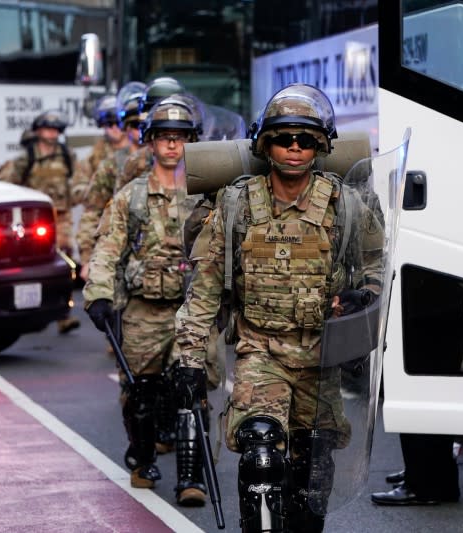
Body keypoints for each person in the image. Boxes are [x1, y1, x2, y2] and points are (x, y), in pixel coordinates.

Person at [172, 83, 384, 533]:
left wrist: (365, 294)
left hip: (322, 357)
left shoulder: (344, 204)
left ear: (321, 147)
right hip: (261, 353)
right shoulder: (236, 205)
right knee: (262, 452)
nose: (294, 147)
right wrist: (189, 358)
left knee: (312, 477)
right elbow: (206, 286)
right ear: (265, 145)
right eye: (284, 138)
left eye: (305, 140)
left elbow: (375, 264)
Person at [82, 97, 214, 504]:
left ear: (191, 141)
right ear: (150, 142)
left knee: (191, 390)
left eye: (180, 138)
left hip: (191, 309)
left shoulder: (207, 192)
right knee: (140, 392)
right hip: (143, 309)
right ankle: (141, 458)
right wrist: (99, 293)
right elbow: (109, 247)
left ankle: (191, 479)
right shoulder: (130, 196)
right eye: (163, 138)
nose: (172, 146)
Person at [371, 279, 463, 506]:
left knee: (416, 398)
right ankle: (436, 479)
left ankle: (423, 484)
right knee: (436, 400)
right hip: (440, 309)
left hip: (426, 315)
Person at [0, 109, 82, 334]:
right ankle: (28, 311)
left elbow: (77, 179)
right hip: (34, 220)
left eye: (55, 130)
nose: (52, 134)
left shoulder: (66, 154)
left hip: (61, 215)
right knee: (32, 265)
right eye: (47, 129)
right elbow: (7, 183)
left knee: (65, 259)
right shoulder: (27, 157)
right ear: (38, 131)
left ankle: (64, 313)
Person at [77, 84, 145, 282]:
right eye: (133, 125)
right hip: (121, 256)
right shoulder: (112, 164)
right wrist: (88, 259)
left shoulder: (172, 162)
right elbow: (92, 212)